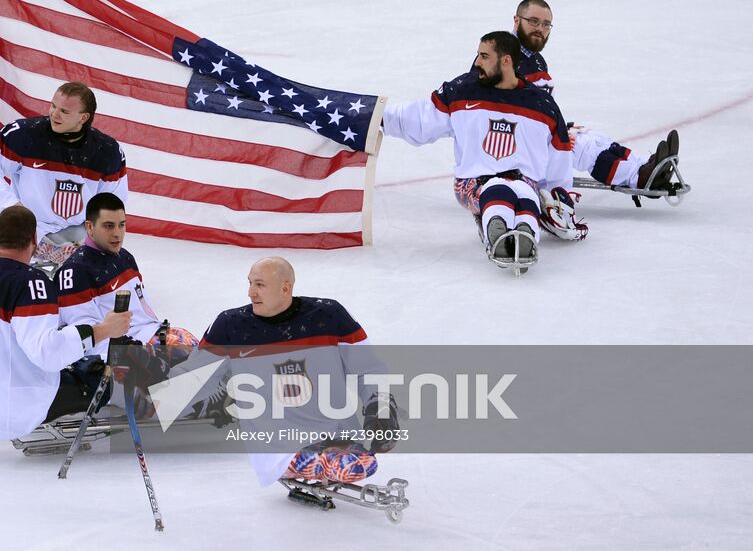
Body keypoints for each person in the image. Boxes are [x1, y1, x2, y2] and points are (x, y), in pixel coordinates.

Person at [193, 257, 399, 487]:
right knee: (347, 465)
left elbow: (368, 369)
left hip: (335, 435)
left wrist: (381, 407)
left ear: (285, 288)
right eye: (250, 283)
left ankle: (327, 458)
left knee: (361, 464)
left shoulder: (329, 315)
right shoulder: (230, 325)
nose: (250, 293)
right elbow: (191, 379)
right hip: (279, 445)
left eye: (260, 285)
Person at [382, 31, 573, 265]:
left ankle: (525, 236)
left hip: (525, 182)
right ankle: (500, 236)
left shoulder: (541, 103)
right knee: (498, 188)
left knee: (525, 195)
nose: (477, 62)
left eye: (484, 56)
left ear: (506, 60)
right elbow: (420, 119)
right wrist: (375, 117)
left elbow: (559, 152)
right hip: (471, 182)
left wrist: (560, 193)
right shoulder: (463, 90)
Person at [0, 204, 132, 440]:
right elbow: (48, 353)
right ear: (34, 238)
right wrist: (103, 330)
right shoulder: (29, 283)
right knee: (104, 377)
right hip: (19, 407)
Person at [510, 0, 682, 235]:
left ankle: (646, 165)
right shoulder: (503, 58)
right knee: (584, 148)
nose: (540, 29)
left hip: (538, 135)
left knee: (591, 136)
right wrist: (551, 134)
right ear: (516, 20)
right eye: (533, 21)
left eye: (546, 24)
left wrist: (557, 127)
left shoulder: (533, 58)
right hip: (520, 149)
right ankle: (639, 177)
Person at [0, 82, 127, 262]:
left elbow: (113, 204)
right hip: (27, 230)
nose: (54, 114)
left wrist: (92, 238)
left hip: (79, 236)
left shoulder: (107, 151)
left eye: (64, 111)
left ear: (83, 117)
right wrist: (13, 208)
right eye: (53, 106)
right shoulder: (23, 135)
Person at [56, 192, 198, 368]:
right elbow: (85, 340)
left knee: (211, 354)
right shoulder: (75, 271)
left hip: (154, 334)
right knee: (203, 365)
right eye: (109, 226)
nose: (117, 233)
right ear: (90, 227)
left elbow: (144, 314)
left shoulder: (125, 256)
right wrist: (133, 357)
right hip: (126, 354)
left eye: (121, 225)